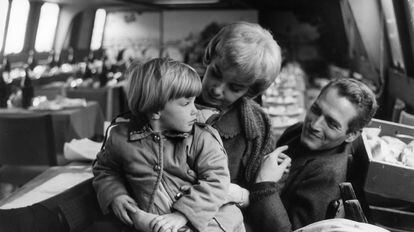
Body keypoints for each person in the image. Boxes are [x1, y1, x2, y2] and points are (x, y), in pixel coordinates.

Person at [0, 21, 287, 232]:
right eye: (215, 73)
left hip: (205, 214)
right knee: (94, 190)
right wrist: (116, 194)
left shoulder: (256, 127)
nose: (215, 89)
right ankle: (38, 218)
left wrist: (234, 194)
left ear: (250, 91)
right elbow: (124, 148)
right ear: (209, 59)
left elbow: (256, 194)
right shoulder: (173, 88)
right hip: (141, 196)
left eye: (234, 87)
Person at [91, 57, 244, 232]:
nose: (196, 110)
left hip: (212, 221)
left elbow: (217, 182)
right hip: (157, 225)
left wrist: (183, 215)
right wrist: (116, 195)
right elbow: (105, 170)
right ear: (156, 110)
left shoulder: (202, 138)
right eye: (186, 103)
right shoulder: (120, 138)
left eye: (194, 100)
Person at [248, 78, 378, 232]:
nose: (315, 125)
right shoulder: (298, 131)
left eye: (331, 123)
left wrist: (264, 185)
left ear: (351, 135)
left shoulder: (328, 176)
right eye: (316, 110)